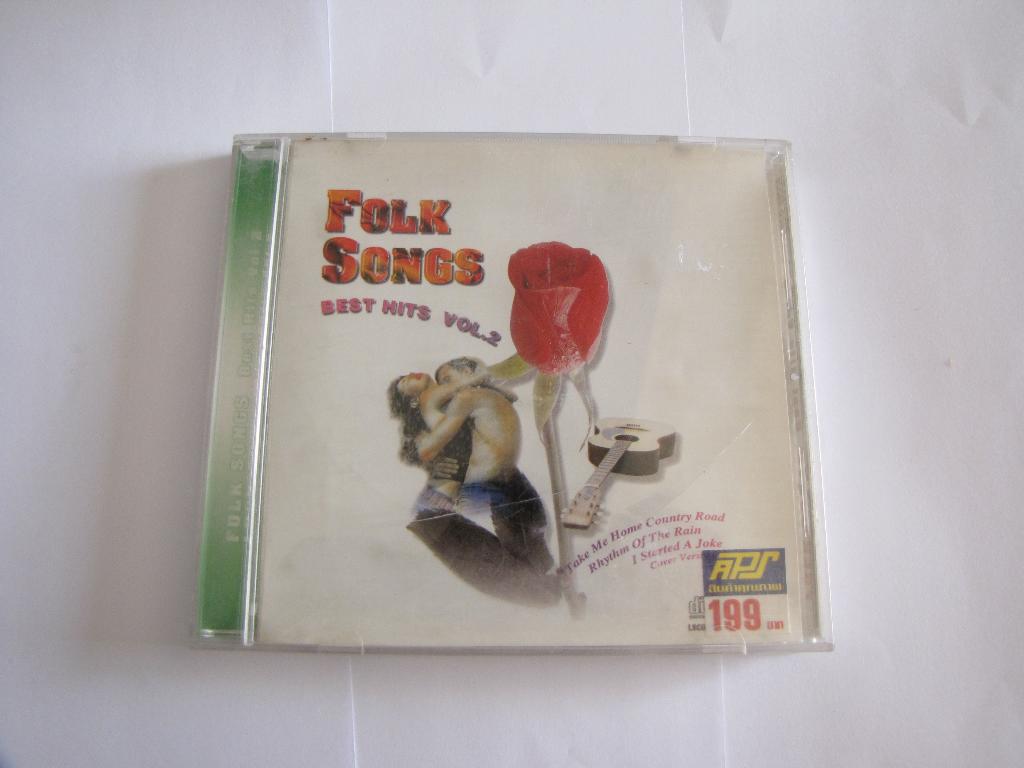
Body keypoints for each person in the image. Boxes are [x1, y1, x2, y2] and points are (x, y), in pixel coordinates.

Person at [388, 359, 558, 605]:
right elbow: (426, 449)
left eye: (447, 379)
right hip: (489, 489)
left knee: (498, 550)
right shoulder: (444, 402)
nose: (447, 387)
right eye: (444, 382)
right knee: (519, 555)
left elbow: (436, 446)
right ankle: (544, 590)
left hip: (491, 487)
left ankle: (542, 591)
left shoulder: (462, 400)